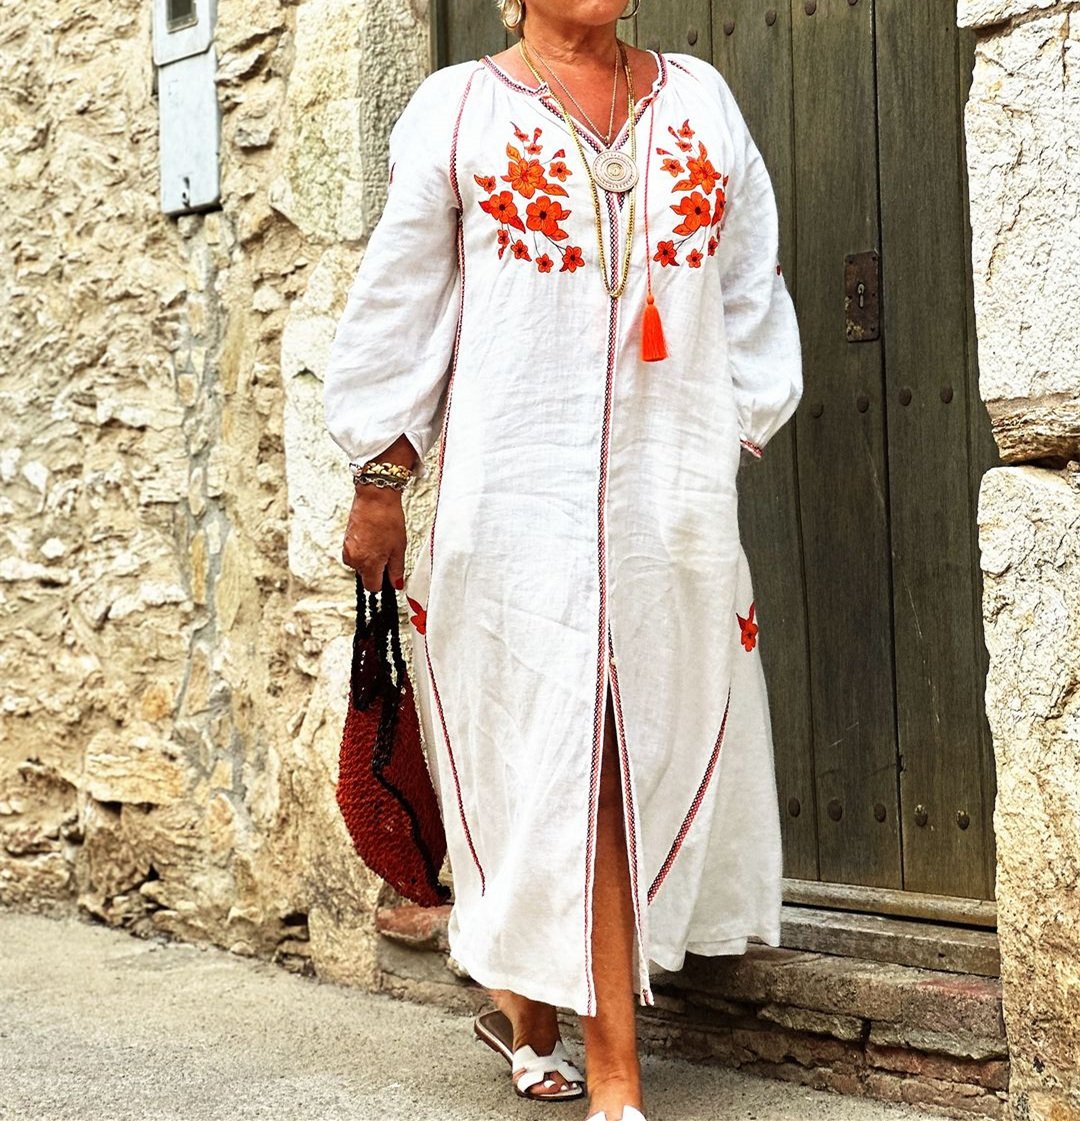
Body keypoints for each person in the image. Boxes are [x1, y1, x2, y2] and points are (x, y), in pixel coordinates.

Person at [323, 0, 802, 1117]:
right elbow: (403, 304)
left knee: (629, 751)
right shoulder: (460, 111)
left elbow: (748, 277)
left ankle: (528, 1010)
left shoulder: (699, 101)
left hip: (667, 507)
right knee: (561, 758)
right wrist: (380, 480)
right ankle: (618, 1077)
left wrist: (722, 436)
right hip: (515, 507)